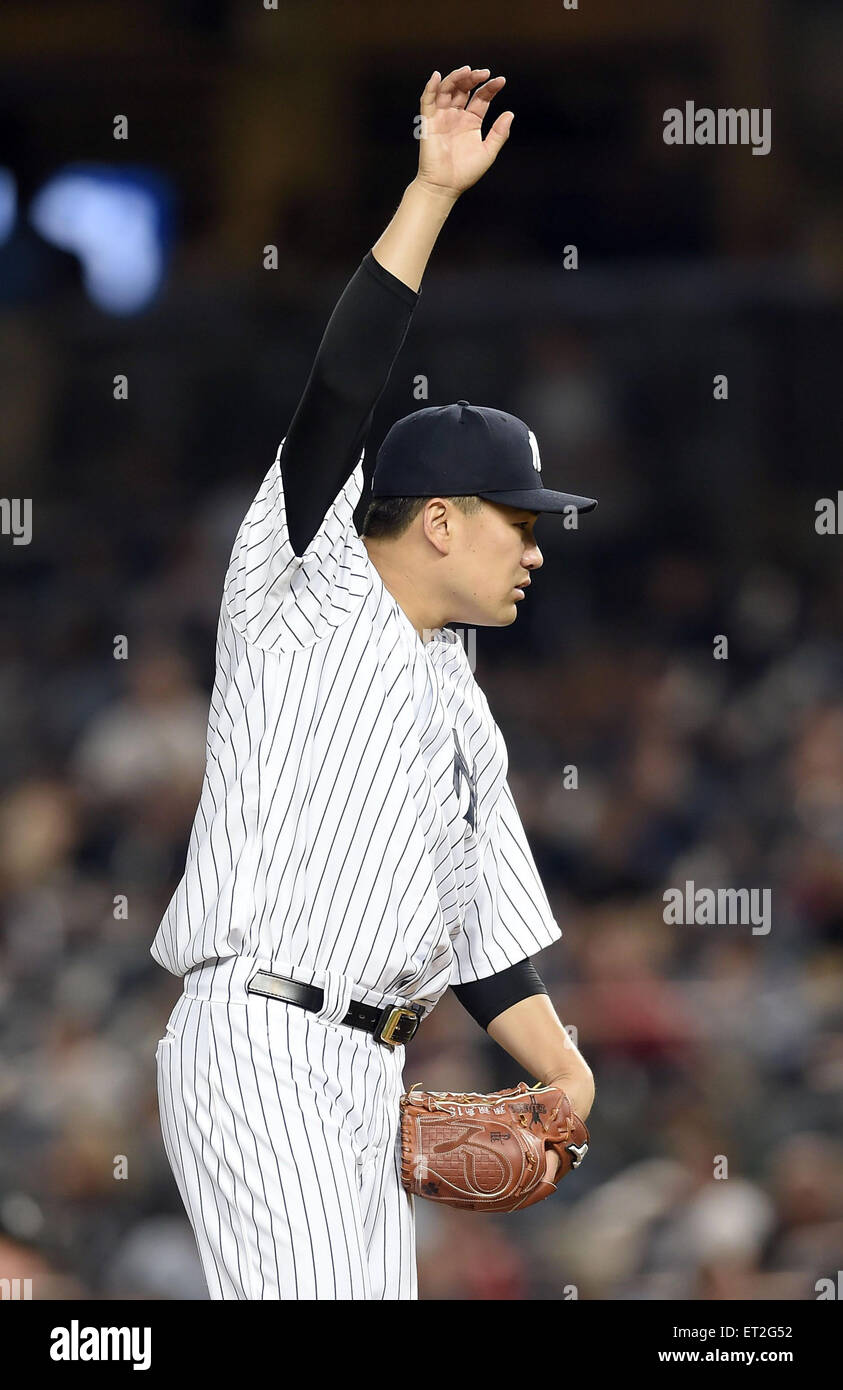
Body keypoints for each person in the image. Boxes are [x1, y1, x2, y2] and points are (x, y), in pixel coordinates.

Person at [153, 64, 596, 1301]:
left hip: (367, 1071)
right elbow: (342, 388)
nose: (538, 542)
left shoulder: (462, 702)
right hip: (263, 1034)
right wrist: (431, 192)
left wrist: (567, 1074)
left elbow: (489, 948)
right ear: (439, 521)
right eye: (520, 518)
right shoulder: (304, 587)